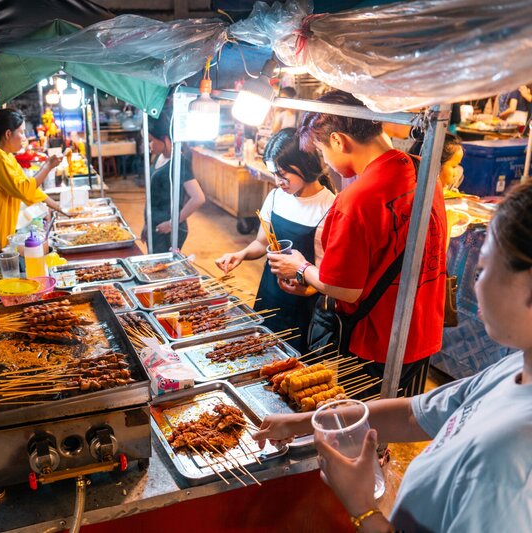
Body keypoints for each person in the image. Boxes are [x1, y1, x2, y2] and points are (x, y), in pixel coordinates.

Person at [255, 181, 532, 531]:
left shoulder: (512, 460)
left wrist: (363, 508)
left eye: (483, 269)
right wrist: (301, 423)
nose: (474, 285)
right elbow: (415, 416)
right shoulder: (511, 369)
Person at [268, 90, 448, 397]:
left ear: (339, 141)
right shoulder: (421, 168)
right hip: (422, 328)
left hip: (376, 339)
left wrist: (301, 267)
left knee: (357, 425)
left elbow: (343, 288)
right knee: (390, 413)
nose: (326, 161)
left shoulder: (356, 200)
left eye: (323, 152)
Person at [215, 128, 335, 353]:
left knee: (293, 365)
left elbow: (329, 273)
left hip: (303, 303)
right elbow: (262, 243)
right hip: (270, 292)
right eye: (274, 174)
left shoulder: (328, 207)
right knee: (260, 351)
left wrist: (308, 290)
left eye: (283, 174)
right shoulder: (276, 196)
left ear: (304, 164)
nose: (278, 181)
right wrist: (240, 255)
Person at [0, 109, 65, 270]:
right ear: (8, 134)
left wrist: (59, 208)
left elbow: (31, 189)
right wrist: (48, 166)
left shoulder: (6, 156)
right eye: (21, 133)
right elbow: (23, 189)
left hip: (2, 226)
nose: (25, 138)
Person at [145, 113, 206, 253]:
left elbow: (198, 198)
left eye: (150, 140)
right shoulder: (158, 158)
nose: (147, 145)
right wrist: (146, 225)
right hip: (155, 225)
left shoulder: (179, 162)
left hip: (168, 230)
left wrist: (172, 224)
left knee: (162, 270)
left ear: (165, 139)